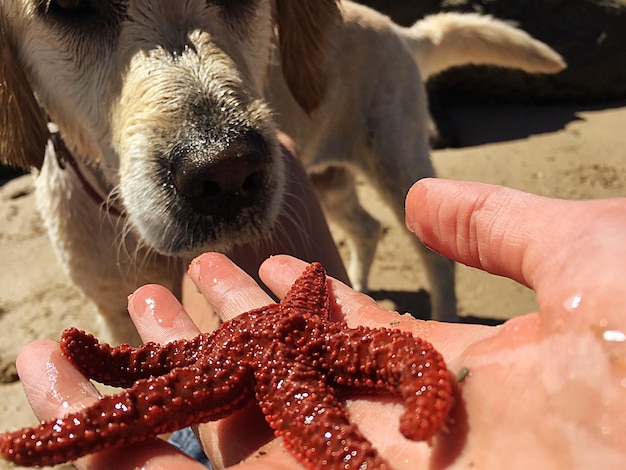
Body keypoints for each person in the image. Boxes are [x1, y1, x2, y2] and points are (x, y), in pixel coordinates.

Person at [11, 176, 626, 469]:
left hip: (251, 358)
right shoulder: (299, 318)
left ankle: (189, 446)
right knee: (164, 354)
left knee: (172, 372)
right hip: (255, 355)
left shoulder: (299, 319)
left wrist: (427, 399)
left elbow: (411, 363)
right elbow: (140, 366)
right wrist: (106, 361)